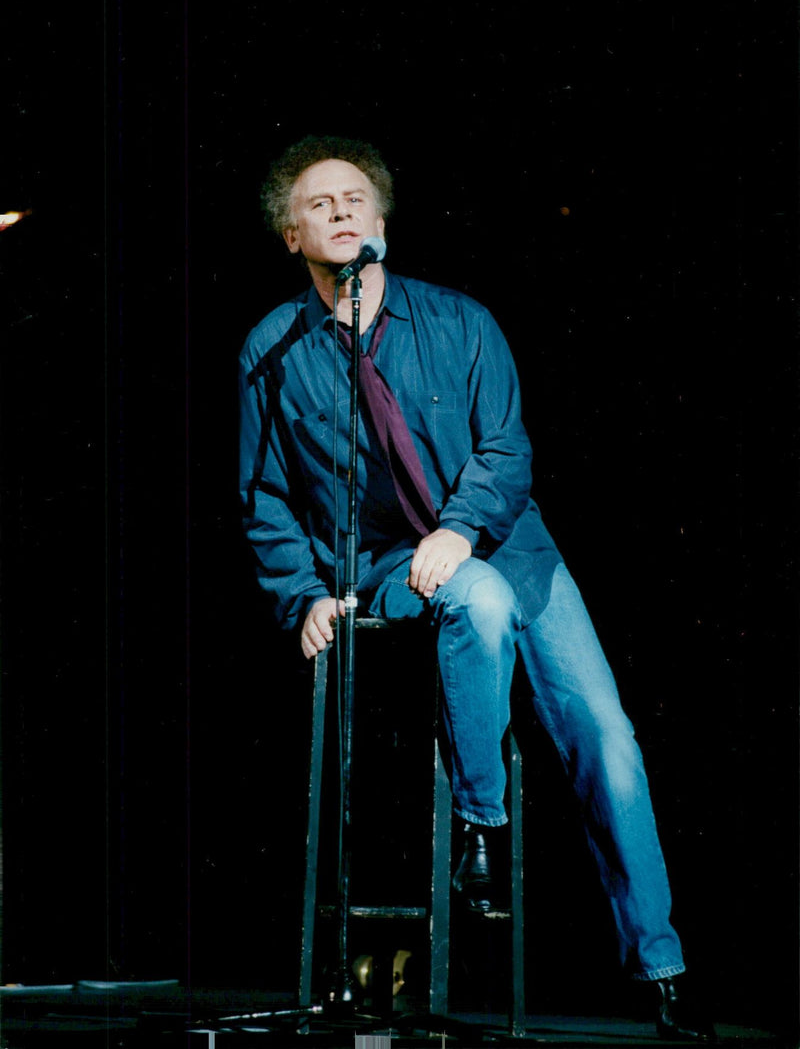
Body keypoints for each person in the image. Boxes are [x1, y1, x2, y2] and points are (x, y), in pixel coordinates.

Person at [238, 135, 715, 1042]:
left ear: (379, 222)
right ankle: (480, 828)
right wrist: (300, 592)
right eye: (317, 203)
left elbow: (506, 450)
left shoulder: (460, 322)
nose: (339, 210)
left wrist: (459, 531)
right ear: (290, 234)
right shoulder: (271, 351)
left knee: (607, 741)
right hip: (389, 568)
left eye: (354, 198)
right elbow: (265, 494)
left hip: (508, 548)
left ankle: (663, 971)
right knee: (476, 601)